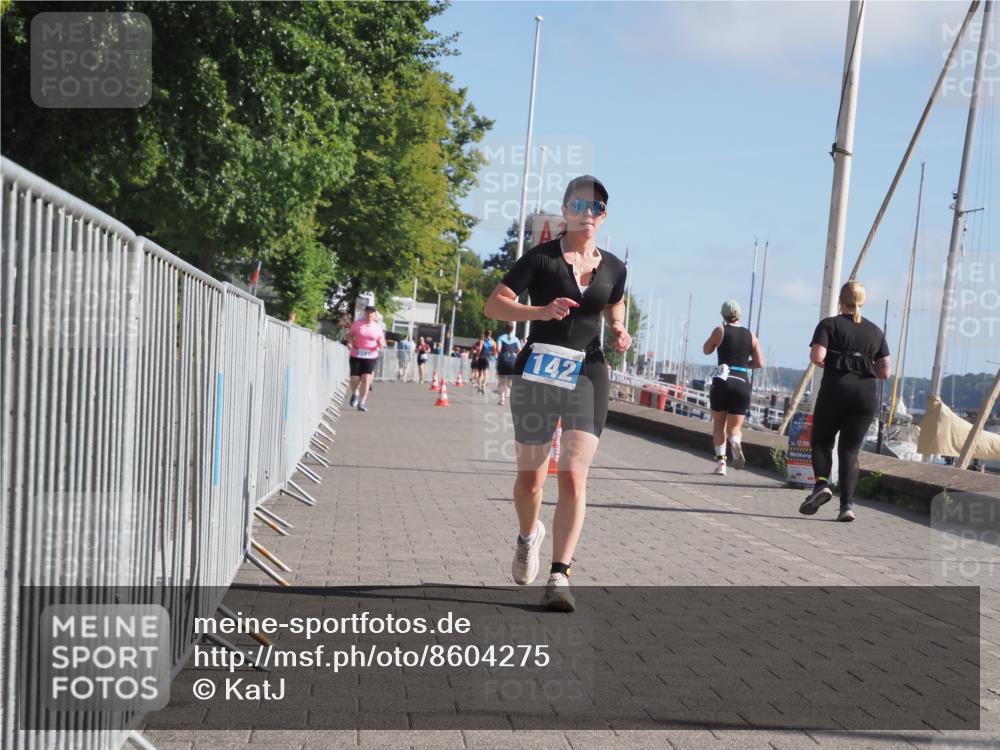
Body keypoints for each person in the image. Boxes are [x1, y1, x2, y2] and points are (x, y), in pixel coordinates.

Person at [484, 174, 630, 611]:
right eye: (580, 206)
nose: (589, 214)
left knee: (574, 475)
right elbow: (493, 305)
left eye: (597, 208)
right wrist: (540, 310)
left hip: (589, 371)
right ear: (565, 211)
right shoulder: (541, 259)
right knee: (530, 480)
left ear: (605, 217)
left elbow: (615, 302)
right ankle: (529, 536)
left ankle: (559, 575)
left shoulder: (615, 267)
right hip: (540, 367)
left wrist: (619, 328)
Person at [799, 281, 890, 522]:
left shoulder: (829, 325)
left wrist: (831, 360)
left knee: (821, 441)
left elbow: (817, 356)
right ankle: (847, 506)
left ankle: (821, 485)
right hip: (865, 396)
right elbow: (885, 372)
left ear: (841, 300)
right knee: (850, 450)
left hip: (835, 390)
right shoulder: (875, 331)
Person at [702, 300, 764, 476]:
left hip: (722, 381)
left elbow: (706, 350)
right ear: (739, 315)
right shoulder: (751, 335)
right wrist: (744, 365)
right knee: (734, 429)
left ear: (723, 315)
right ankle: (735, 441)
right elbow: (760, 363)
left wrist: (716, 344)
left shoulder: (720, 330)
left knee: (718, 426)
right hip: (741, 381)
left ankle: (721, 463)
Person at [347, 305, 386, 412]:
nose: (369, 315)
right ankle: (355, 392)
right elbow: (350, 335)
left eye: (372, 313)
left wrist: (381, 345)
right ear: (365, 314)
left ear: (375, 315)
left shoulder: (378, 328)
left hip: (371, 355)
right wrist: (350, 342)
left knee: (366, 378)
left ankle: (362, 402)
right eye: (368, 313)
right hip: (356, 353)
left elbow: (381, 340)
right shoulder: (357, 325)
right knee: (354, 379)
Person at [496, 323, 522, 406]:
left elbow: (498, 349)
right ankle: (512, 394)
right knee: (510, 382)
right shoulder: (516, 339)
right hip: (512, 361)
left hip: (503, 361)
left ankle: (502, 399)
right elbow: (519, 350)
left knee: (501, 381)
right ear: (512, 329)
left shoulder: (501, 338)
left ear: (505, 328)